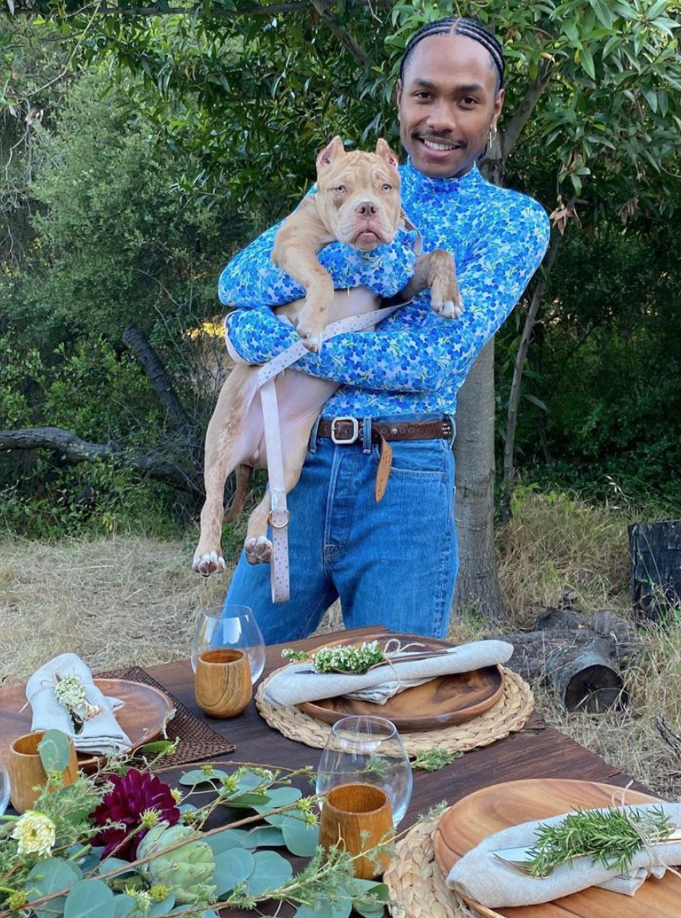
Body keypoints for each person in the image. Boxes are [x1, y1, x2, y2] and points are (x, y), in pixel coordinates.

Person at [216, 17, 550, 645]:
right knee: (231, 672)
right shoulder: (351, 178)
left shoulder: (513, 221)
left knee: (390, 707)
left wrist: (263, 338)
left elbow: (428, 363)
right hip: (302, 469)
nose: (442, 118)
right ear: (399, 96)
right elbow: (235, 285)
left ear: (496, 110)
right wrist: (360, 246)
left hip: (404, 481)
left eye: (467, 99)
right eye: (424, 94)